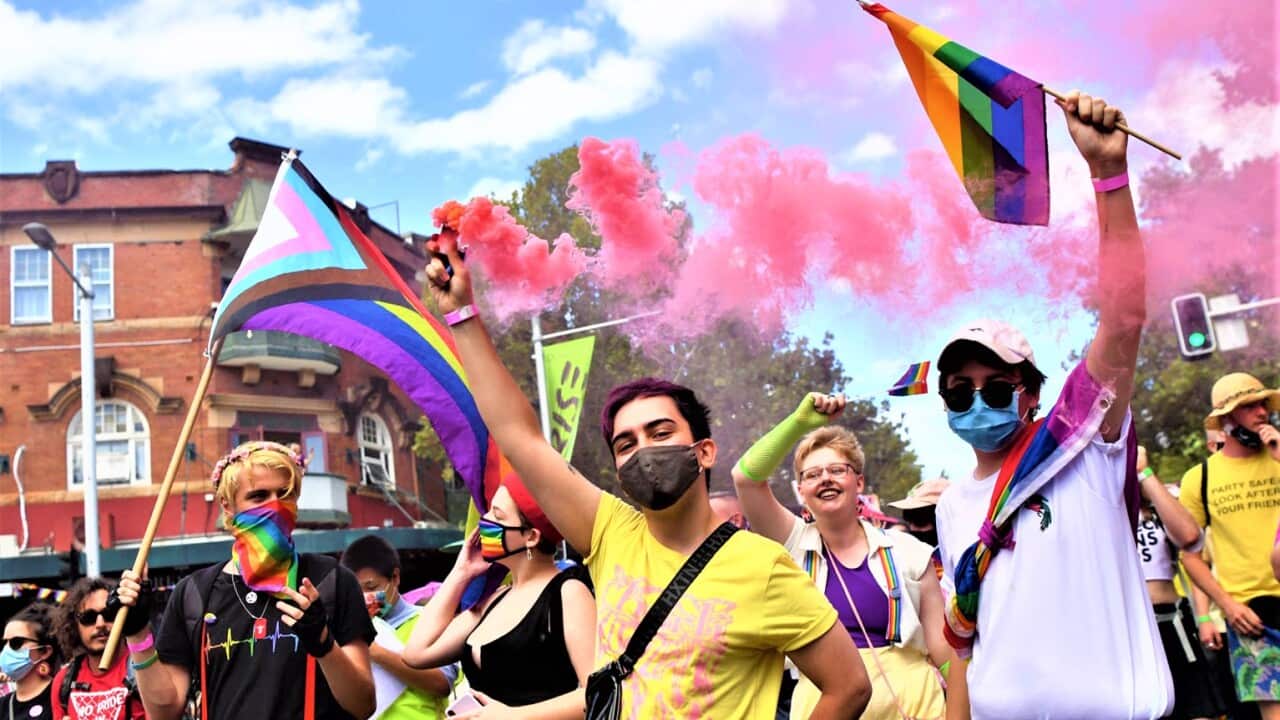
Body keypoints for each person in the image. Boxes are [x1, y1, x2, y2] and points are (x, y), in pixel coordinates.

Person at [423, 243, 871, 718]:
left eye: (660, 433)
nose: (643, 451)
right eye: (626, 444)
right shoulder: (609, 531)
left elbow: (849, 686)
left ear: (704, 451)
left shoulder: (764, 566)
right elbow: (519, 437)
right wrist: (461, 314)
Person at [932, 92, 1174, 719]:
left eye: (995, 386)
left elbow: (1124, 317)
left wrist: (1108, 174)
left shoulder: (1083, 445)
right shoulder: (951, 507)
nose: (976, 400)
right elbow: (966, 646)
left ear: (1032, 395)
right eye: (959, 390)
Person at [116, 441, 375, 720]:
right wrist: (137, 634)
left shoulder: (331, 581)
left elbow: (362, 705)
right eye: (259, 496)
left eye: (284, 494)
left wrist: (324, 645)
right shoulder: (194, 594)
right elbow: (164, 714)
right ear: (228, 507)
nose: (276, 506)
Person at [734, 394, 954, 720]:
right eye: (812, 474)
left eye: (837, 470)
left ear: (859, 482)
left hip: (916, 709)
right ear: (800, 491)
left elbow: (942, 649)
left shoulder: (910, 552)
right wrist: (799, 423)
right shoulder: (792, 545)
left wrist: (960, 709)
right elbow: (746, 479)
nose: (825, 478)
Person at [403, 475, 595, 717]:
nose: (484, 521)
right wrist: (461, 572)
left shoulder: (569, 592)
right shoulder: (495, 599)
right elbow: (416, 653)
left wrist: (512, 716)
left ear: (531, 537)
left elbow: (598, 691)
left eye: (497, 515)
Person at [1179, 372, 1280, 718]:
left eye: (1263, 403)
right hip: (1252, 617)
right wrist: (1226, 606)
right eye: (1249, 406)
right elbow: (1190, 556)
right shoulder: (1200, 479)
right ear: (1226, 419)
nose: (1262, 412)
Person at [1134, 445, 1227, 720]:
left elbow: (1190, 540)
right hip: (1132, 627)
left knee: (1198, 708)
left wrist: (1144, 473)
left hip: (1172, 620)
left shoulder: (1160, 502)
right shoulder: (1102, 508)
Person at [340, 534, 457, 720]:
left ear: (394, 578)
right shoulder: (344, 630)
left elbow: (442, 684)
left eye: (371, 587)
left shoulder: (429, 620)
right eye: (355, 589)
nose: (364, 596)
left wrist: (373, 650)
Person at [51, 578, 145, 720]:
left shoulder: (144, 670)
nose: (100, 624)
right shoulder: (63, 681)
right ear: (74, 625)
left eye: (109, 614)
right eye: (89, 617)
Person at [2, 601, 61, 719]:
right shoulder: (3, 705)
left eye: (16, 642)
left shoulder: (64, 698)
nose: (6, 650)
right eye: (5, 642)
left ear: (45, 651)